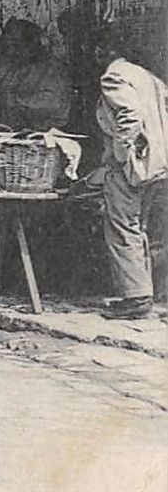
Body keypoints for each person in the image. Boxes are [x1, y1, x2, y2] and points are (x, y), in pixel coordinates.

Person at [93, 51, 168, 320]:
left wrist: (122, 154)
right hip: (157, 165)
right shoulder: (147, 77)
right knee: (141, 228)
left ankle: (136, 298)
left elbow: (130, 114)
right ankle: (144, 292)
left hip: (133, 166)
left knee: (123, 226)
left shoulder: (114, 77)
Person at [0, 18, 73, 130]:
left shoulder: (50, 68)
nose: (10, 48)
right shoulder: (13, 67)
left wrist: (15, 100)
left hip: (47, 131)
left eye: (15, 43)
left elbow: (52, 103)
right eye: (7, 42)